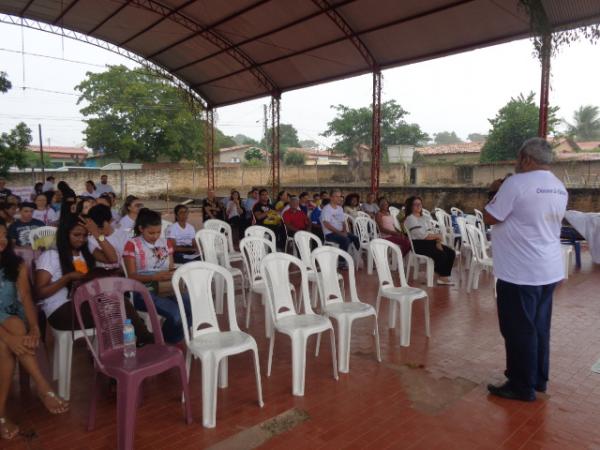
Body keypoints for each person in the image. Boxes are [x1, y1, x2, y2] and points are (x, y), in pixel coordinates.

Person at [484, 138, 568, 402]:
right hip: (548, 269)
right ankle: (538, 379)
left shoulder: (516, 183)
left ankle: (521, 386)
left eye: (519, 158)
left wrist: (497, 192)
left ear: (527, 159)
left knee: (519, 329)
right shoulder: (558, 186)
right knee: (540, 327)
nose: (517, 163)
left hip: (520, 272)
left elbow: (491, 216)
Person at [35, 214, 153, 344]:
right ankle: (144, 337)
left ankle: (133, 339)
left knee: (119, 304)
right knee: (120, 306)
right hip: (60, 311)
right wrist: (67, 278)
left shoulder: (85, 250)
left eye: (85, 235)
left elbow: (112, 258)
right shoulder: (51, 255)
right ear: (64, 234)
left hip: (82, 303)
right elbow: (40, 292)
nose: (81, 239)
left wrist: (97, 234)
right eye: (76, 235)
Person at [0, 219, 69, 441]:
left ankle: (1, 414)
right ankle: (43, 387)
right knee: (6, 342)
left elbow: (26, 297)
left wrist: (35, 327)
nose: (1, 241)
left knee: (16, 325)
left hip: (10, 316)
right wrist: (8, 339)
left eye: (3, 235)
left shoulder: (15, 263)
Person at [123, 209, 191, 344]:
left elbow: (170, 267)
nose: (155, 236)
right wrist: (154, 277)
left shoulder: (165, 243)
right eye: (151, 232)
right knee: (177, 314)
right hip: (144, 291)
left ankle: (165, 341)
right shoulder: (132, 245)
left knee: (191, 307)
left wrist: (174, 273)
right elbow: (131, 277)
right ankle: (163, 343)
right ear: (141, 229)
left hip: (166, 287)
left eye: (158, 232)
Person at [404, 196, 455, 285]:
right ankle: (442, 276)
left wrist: (438, 242)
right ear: (410, 206)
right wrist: (437, 237)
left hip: (431, 242)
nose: (418, 206)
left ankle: (441, 275)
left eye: (419, 204)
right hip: (418, 244)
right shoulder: (410, 219)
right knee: (441, 254)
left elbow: (432, 231)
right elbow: (422, 235)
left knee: (451, 252)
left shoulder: (425, 218)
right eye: (415, 204)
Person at [86, 204, 130, 269]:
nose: (99, 230)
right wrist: (97, 235)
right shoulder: (90, 239)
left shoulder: (124, 235)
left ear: (111, 221)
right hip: (105, 276)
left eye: (101, 226)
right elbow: (113, 259)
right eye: (97, 227)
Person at [321, 189, 359, 255]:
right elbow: (326, 224)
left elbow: (343, 222)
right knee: (346, 240)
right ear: (331, 197)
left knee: (355, 238)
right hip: (330, 234)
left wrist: (344, 231)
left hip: (340, 232)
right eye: (337, 196)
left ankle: (357, 255)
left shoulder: (340, 208)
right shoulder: (326, 209)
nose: (339, 198)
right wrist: (340, 233)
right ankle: (341, 261)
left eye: (340, 196)